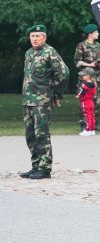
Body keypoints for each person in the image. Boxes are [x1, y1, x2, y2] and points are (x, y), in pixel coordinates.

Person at [21, 24, 69, 179]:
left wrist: (55, 92)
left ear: (44, 37)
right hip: (28, 100)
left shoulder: (50, 52)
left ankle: (45, 167)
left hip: (42, 101)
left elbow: (63, 74)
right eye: (32, 36)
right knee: (30, 135)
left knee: (42, 135)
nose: (34, 39)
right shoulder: (29, 53)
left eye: (38, 36)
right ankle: (35, 165)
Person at [74, 23, 100, 123]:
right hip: (86, 77)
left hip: (97, 77)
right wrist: (90, 65)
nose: (98, 34)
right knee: (85, 99)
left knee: (96, 99)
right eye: (96, 32)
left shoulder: (98, 46)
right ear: (90, 34)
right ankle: (84, 122)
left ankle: (93, 122)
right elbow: (77, 62)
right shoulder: (81, 46)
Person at [76, 68, 98, 136]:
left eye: (84, 75)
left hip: (85, 102)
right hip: (91, 102)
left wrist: (78, 96)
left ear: (88, 76)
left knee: (87, 116)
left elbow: (82, 91)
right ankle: (92, 129)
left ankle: (87, 130)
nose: (82, 77)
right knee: (91, 115)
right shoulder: (93, 84)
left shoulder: (85, 84)